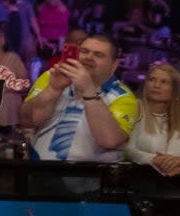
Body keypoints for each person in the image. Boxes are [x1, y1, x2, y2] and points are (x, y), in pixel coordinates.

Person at [21, 34, 137, 171]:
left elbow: (109, 140)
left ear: (114, 65)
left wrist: (88, 90)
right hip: (39, 172)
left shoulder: (123, 97)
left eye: (98, 55)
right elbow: (26, 120)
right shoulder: (51, 76)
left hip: (90, 181)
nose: (88, 57)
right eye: (84, 51)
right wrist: (53, 89)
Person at [124, 63, 180, 176]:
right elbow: (126, 150)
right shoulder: (135, 108)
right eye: (152, 79)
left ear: (175, 90)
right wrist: (153, 159)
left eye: (164, 82)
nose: (156, 85)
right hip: (140, 179)